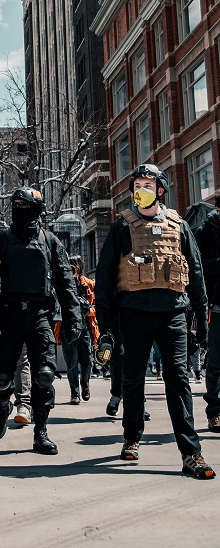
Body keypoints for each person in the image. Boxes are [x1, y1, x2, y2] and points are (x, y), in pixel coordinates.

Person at [95, 164, 214, 479]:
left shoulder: (178, 226)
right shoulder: (122, 227)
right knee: (133, 379)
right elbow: (105, 279)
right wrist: (105, 328)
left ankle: (191, 453)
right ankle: (132, 435)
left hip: (173, 313)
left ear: (160, 189)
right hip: (133, 315)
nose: (140, 189)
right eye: (136, 184)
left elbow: (197, 274)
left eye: (147, 184)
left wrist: (201, 321)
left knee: (178, 380)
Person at [0, 187, 81, 454]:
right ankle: (4, 405)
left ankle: (41, 431)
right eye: (15, 204)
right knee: (1, 378)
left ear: (37, 210)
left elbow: (66, 283)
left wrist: (73, 317)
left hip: (40, 314)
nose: (19, 210)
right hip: (8, 314)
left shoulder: (50, 241)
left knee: (44, 375)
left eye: (25, 205)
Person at [194, 201, 220, 433]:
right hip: (216, 306)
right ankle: (215, 412)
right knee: (216, 363)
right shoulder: (206, 231)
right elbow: (198, 268)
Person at [64, 255, 97, 404]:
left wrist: (87, 310)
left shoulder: (89, 284)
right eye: (69, 265)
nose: (71, 268)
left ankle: (85, 384)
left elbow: (97, 306)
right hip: (68, 326)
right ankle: (74, 393)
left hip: (84, 326)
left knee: (87, 360)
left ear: (80, 266)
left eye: (74, 265)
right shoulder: (63, 284)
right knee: (71, 362)